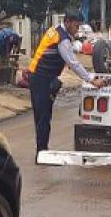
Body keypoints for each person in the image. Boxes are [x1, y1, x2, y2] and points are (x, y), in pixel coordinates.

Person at [27, 10, 106, 155]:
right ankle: (42, 152)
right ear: (67, 22)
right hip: (41, 78)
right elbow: (73, 62)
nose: (77, 30)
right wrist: (91, 80)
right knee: (44, 116)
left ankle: (42, 150)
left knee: (41, 116)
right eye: (76, 26)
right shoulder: (62, 40)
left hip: (37, 75)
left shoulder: (55, 31)